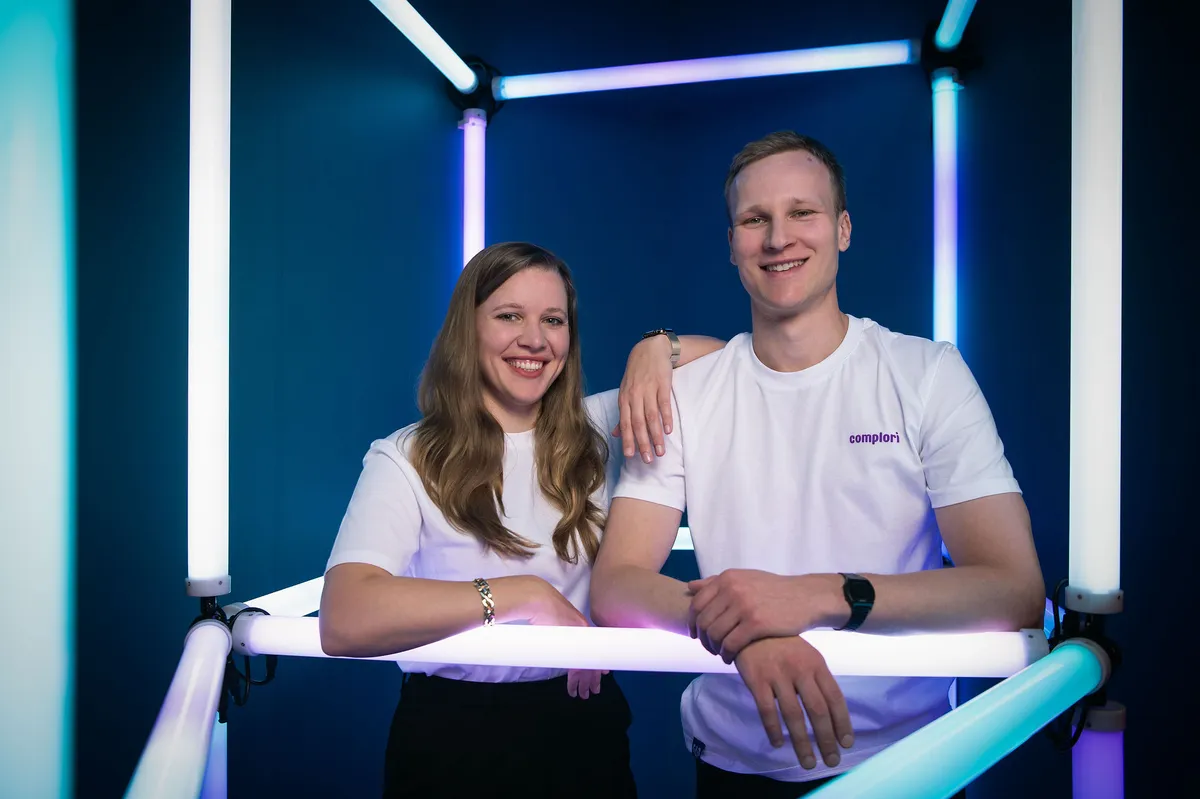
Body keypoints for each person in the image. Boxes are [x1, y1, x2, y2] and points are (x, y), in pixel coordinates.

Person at [589, 131, 1046, 798]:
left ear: (843, 229)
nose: (778, 238)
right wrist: (745, 631)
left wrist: (816, 595)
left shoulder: (925, 374)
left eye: (801, 212)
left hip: (909, 758)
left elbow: (1013, 590)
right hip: (733, 759)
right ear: (733, 243)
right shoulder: (688, 391)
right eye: (755, 219)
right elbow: (617, 584)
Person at [318, 241, 724, 798]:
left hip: (582, 723)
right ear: (468, 329)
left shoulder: (600, 426)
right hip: (450, 739)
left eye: (553, 320)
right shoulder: (405, 458)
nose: (535, 340)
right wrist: (522, 595)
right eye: (509, 316)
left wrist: (652, 349)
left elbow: (726, 362)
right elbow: (344, 616)